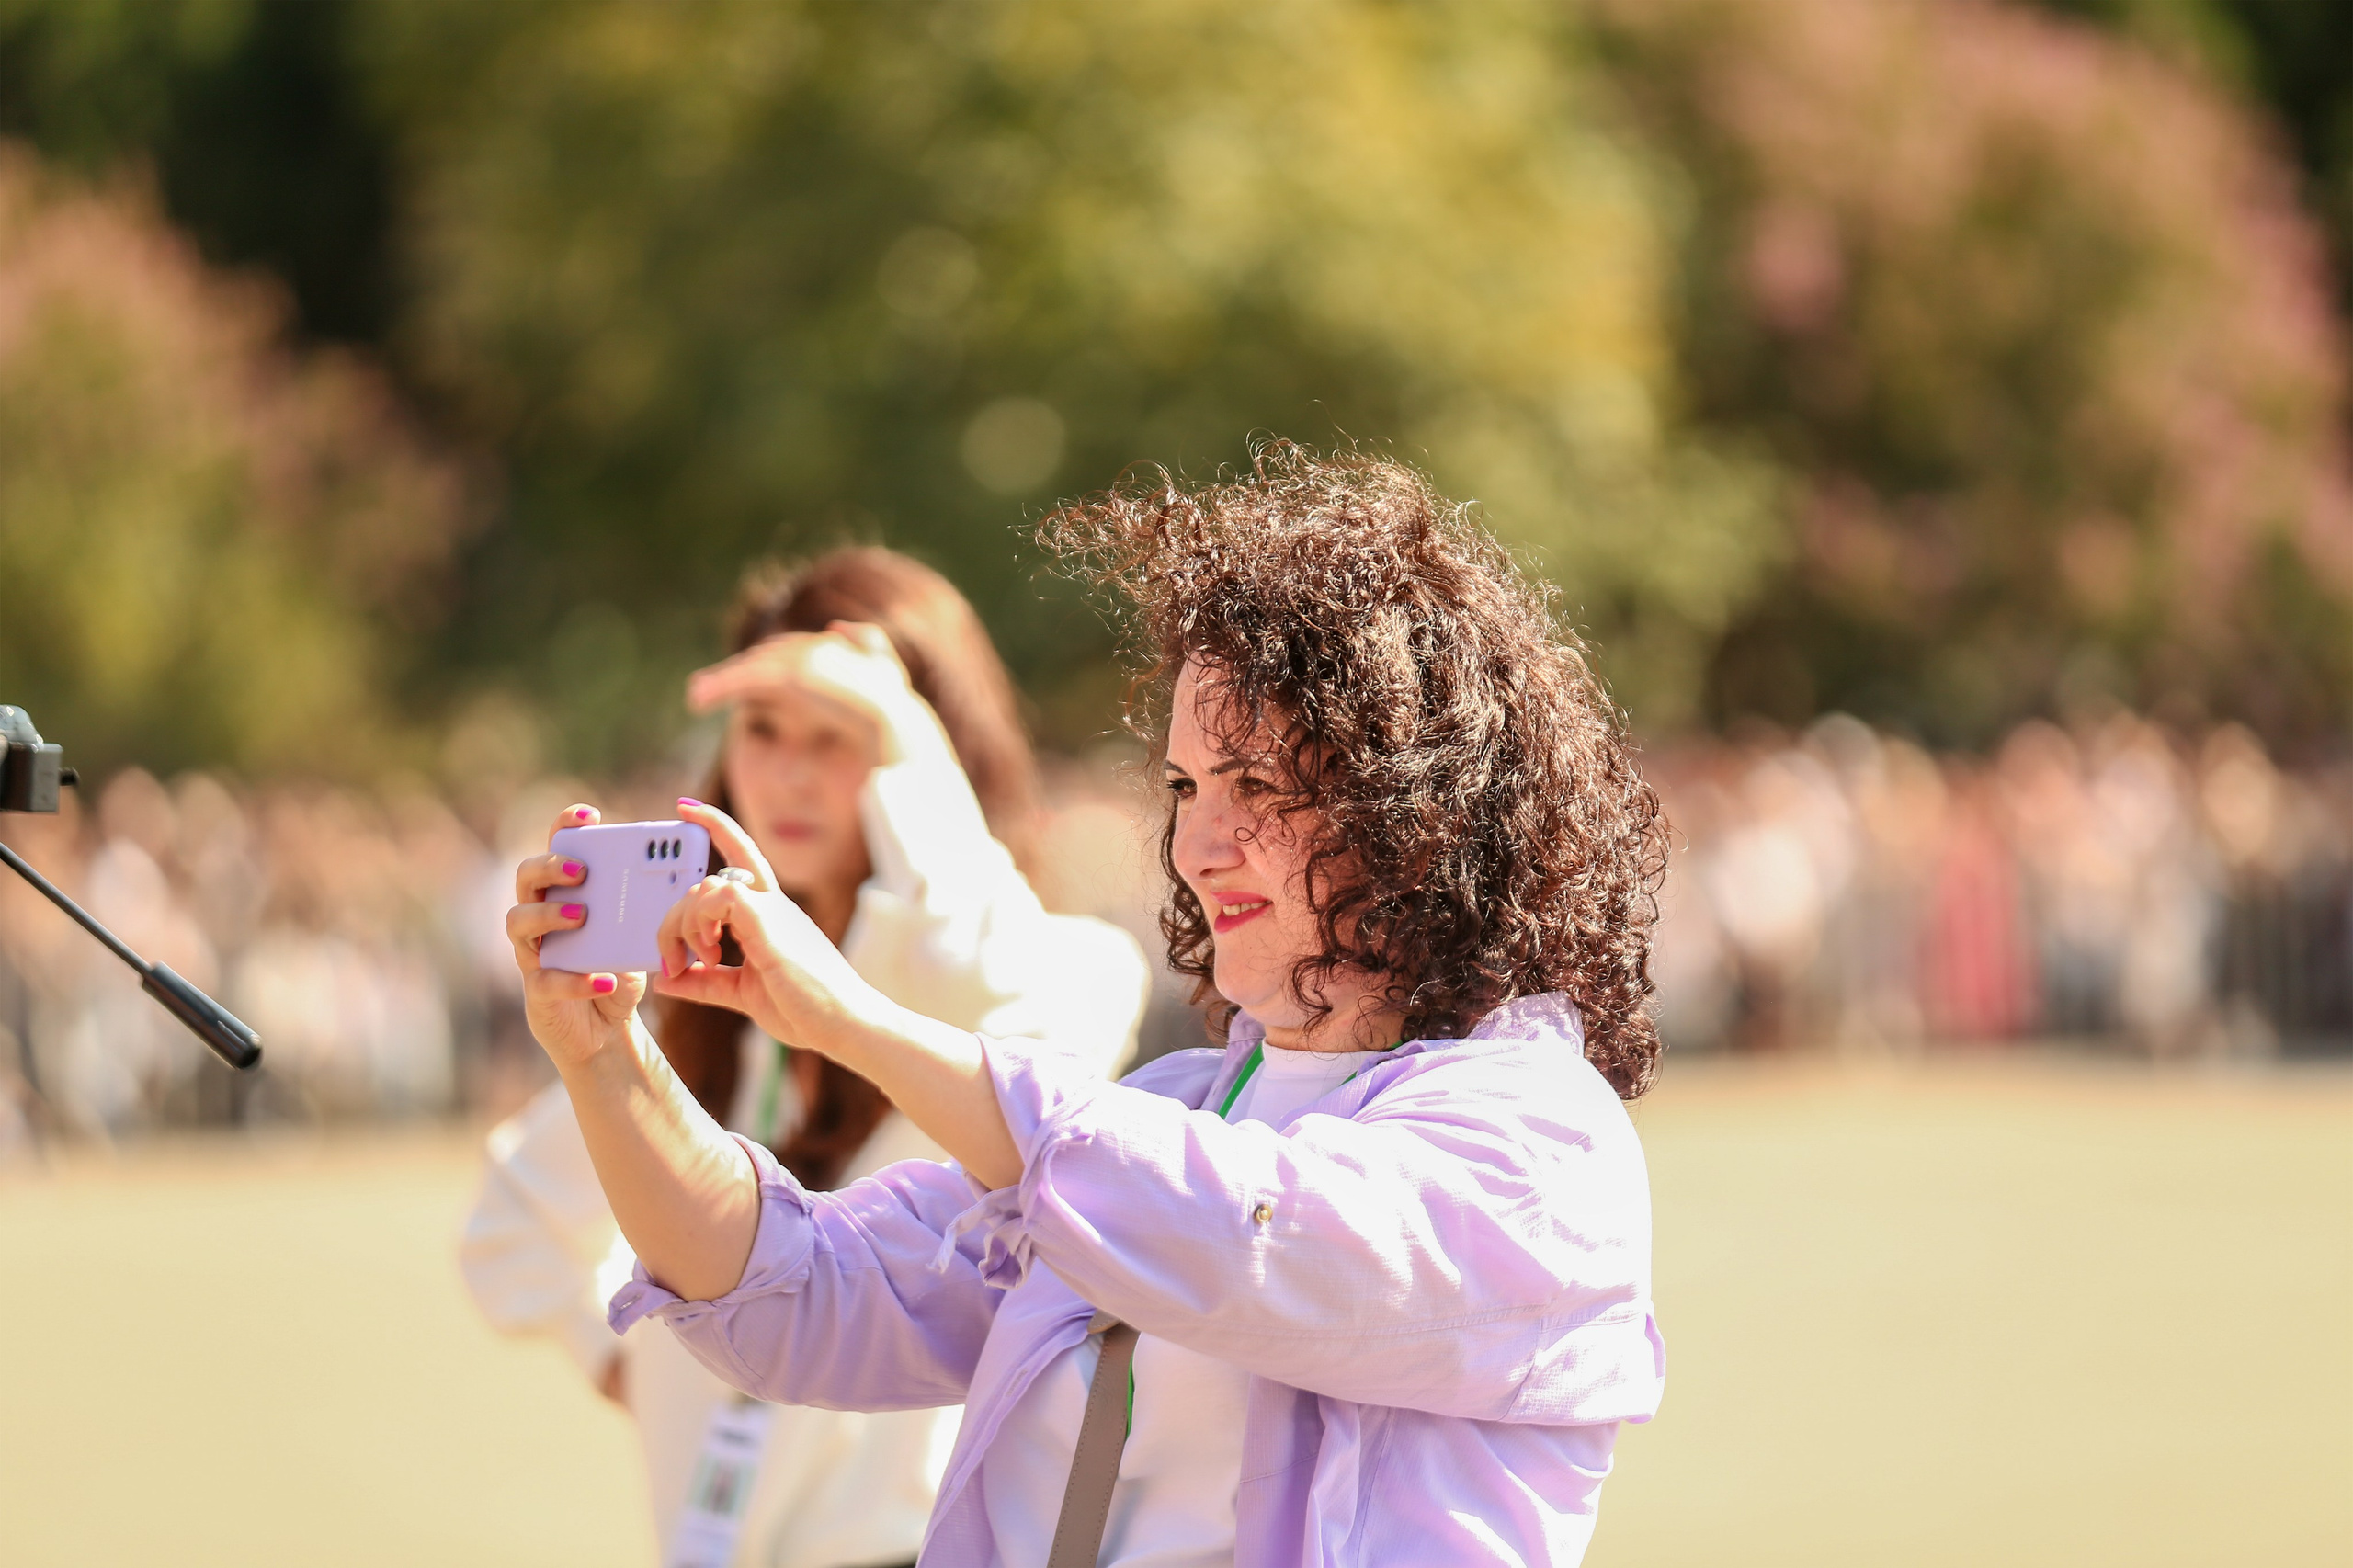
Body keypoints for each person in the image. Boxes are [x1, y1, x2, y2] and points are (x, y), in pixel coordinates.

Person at [506, 447, 1669, 1566]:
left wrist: (849, 1016)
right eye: (1183, 785)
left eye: (1257, 784)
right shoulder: (1174, 1106)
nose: (1198, 843)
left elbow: (1247, 1235)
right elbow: (798, 1287)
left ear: (1416, 806)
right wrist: (604, 1056)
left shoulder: (1540, 1135)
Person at [464, 548, 1149, 1568]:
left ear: (936, 757)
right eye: (762, 728)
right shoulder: (699, 1005)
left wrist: (905, 736)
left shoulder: (1072, 966)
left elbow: (971, 963)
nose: (788, 772)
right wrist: (645, 1364)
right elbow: (508, 1226)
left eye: (840, 735)